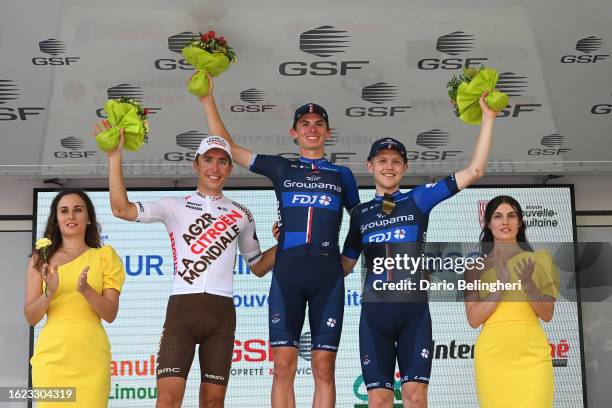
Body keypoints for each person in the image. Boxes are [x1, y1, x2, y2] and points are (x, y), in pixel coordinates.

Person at [198, 76, 360, 407]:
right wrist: (207, 100)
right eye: (305, 124)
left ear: (328, 133)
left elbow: (362, 220)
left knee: (324, 369)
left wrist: (350, 258)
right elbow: (227, 144)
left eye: (318, 124)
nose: (312, 129)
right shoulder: (282, 168)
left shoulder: (342, 175)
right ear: (294, 133)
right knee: (282, 368)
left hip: (328, 280)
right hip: (287, 278)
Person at [93, 122, 277, 408]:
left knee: (214, 404)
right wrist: (114, 156)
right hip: (181, 313)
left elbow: (257, 265)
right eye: (208, 160)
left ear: (229, 168)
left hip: (221, 315)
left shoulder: (242, 214)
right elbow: (121, 209)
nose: (214, 168)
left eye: (222, 161)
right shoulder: (173, 206)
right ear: (196, 165)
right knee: (167, 401)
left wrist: (289, 240)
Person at [341, 94, 496, 408]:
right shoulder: (359, 214)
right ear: (370, 166)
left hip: (414, 315)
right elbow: (344, 265)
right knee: (380, 400)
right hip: (375, 317)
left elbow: (475, 171)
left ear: (405, 167)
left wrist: (488, 118)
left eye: (396, 160)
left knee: (415, 398)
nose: (389, 166)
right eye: (382, 160)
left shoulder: (419, 199)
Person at [25, 189, 125, 407]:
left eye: (78, 210)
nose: (71, 216)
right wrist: (49, 293)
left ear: (88, 217)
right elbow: (31, 317)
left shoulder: (105, 257)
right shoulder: (40, 258)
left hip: (91, 358)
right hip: (52, 358)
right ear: (56, 218)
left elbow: (110, 314)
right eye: (64, 211)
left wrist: (86, 290)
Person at [464, 195, 558, 408]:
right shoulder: (474, 269)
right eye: (498, 216)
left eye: (511, 216)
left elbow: (547, 314)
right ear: (488, 223)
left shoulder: (541, 261)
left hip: (532, 354)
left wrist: (528, 284)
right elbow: (473, 319)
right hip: (493, 357)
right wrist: (501, 285)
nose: (505, 222)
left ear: (520, 222)